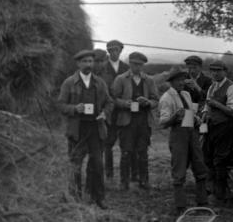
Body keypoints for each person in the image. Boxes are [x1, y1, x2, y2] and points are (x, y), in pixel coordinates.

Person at [57, 50, 113, 209]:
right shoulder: (69, 82)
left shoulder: (100, 83)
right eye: (85, 61)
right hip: (77, 130)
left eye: (91, 61)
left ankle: (98, 197)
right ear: (78, 64)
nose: (89, 64)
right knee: (75, 165)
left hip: (96, 128)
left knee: (97, 164)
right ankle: (75, 198)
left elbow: (110, 102)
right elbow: (60, 105)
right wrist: (75, 108)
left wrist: (104, 113)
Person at [159, 69, 208, 215]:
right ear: (172, 82)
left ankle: (203, 202)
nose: (182, 83)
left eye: (183, 80)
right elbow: (162, 122)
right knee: (179, 170)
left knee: (200, 166)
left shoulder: (186, 94)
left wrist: (196, 119)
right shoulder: (166, 98)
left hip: (192, 132)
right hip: (178, 135)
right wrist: (175, 116)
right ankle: (181, 207)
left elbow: (190, 113)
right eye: (179, 80)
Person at [111, 52, 160, 190]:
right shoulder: (121, 79)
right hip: (127, 121)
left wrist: (148, 102)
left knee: (143, 152)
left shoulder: (149, 80)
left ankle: (143, 180)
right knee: (126, 151)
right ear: (129, 63)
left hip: (143, 121)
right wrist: (125, 104)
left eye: (139, 65)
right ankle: (124, 182)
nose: (136, 67)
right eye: (134, 64)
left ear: (143, 65)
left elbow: (156, 99)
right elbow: (113, 98)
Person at [202, 60, 233, 204]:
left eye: (218, 70)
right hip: (212, 127)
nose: (215, 73)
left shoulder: (232, 88)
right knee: (207, 157)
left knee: (220, 160)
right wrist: (205, 114)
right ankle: (211, 189)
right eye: (212, 70)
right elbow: (207, 106)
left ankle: (220, 194)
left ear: (225, 71)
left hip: (226, 128)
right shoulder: (212, 87)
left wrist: (217, 105)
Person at [102, 40, 130, 180]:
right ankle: (109, 174)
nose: (114, 52)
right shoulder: (102, 68)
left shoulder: (126, 68)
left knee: (126, 143)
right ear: (108, 51)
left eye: (116, 50)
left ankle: (126, 176)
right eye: (111, 50)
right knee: (108, 143)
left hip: (124, 110)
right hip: (109, 111)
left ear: (120, 51)